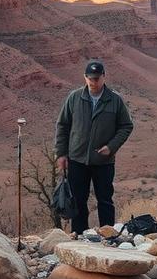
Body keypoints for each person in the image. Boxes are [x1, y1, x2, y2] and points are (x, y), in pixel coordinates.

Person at [54, 60, 134, 233]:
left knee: (105, 200)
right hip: (77, 159)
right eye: (90, 78)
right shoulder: (74, 98)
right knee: (78, 200)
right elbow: (63, 126)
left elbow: (126, 126)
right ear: (85, 78)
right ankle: (80, 235)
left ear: (104, 77)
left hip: (104, 161)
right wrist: (61, 154)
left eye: (97, 78)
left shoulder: (114, 100)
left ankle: (108, 234)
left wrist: (111, 147)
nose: (93, 82)